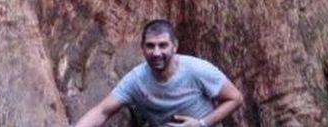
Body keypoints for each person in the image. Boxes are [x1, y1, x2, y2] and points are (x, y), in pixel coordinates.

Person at [72, 19, 244, 127]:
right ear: (143, 48)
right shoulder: (136, 80)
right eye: (150, 46)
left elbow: (235, 98)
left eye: (163, 45)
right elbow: (102, 111)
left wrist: (201, 123)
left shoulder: (197, 70)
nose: (156, 53)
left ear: (174, 46)